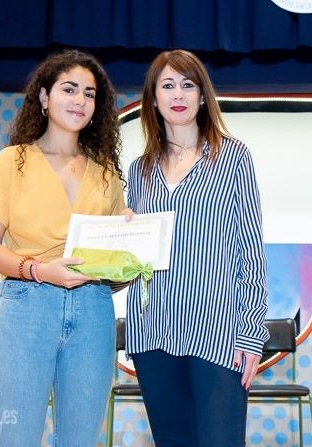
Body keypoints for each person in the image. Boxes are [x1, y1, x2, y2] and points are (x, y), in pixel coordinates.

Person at [0, 49, 126, 447]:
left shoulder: (107, 172)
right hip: (28, 305)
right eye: (69, 89)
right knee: (17, 437)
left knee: (80, 440)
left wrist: (131, 250)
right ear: (44, 97)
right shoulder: (12, 161)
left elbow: (114, 266)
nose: (80, 101)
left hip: (94, 309)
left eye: (89, 94)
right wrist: (39, 271)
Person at [125, 49, 270, 447]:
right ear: (153, 98)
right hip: (153, 332)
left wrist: (251, 333)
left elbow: (251, 251)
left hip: (219, 334)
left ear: (203, 96)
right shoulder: (139, 171)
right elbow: (133, 259)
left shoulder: (233, 157)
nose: (178, 94)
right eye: (168, 85)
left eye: (188, 85)